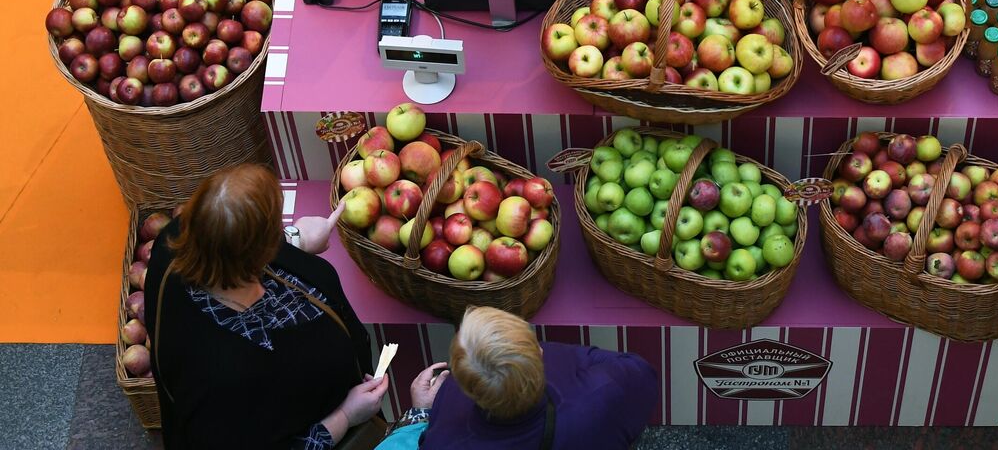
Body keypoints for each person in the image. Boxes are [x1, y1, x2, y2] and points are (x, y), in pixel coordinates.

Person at [144, 163, 388, 449]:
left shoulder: (175, 241)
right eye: (276, 231)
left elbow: (230, 242)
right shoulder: (227, 375)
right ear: (259, 250)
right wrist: (345, 416)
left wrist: (297, 240)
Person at [377, 306, 657, 449]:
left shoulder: (443, 430)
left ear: (464, 383)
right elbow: (639, 371)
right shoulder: (603, 396)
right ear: (538, 351)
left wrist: (420, 415)